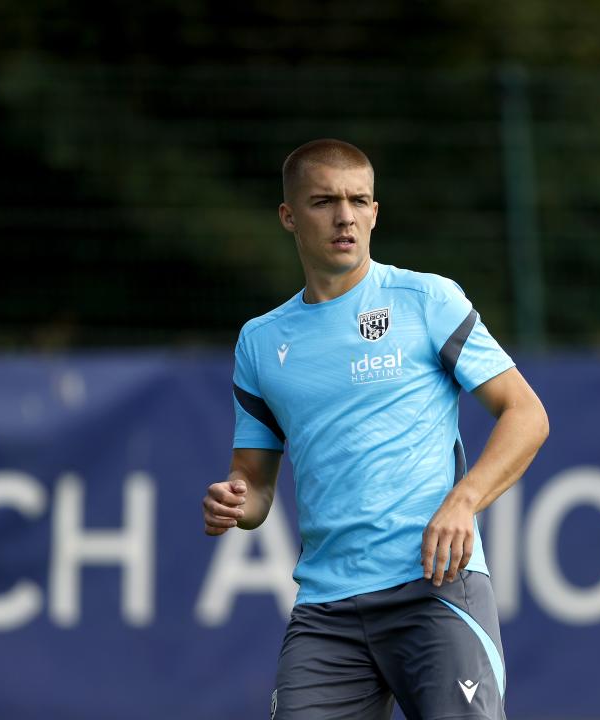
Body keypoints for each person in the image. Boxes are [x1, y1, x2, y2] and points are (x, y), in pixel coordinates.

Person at [202, 138, 549, 720]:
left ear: (375, 212)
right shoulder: (260, 342)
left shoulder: (425, 300)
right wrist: (236, 501)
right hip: (326, 612)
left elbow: (527, 414)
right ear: (289, 216)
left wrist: (463, 502)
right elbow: (255, 486)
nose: (345, 216)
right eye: (324, 201)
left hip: (434, 590)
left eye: (359, 200)